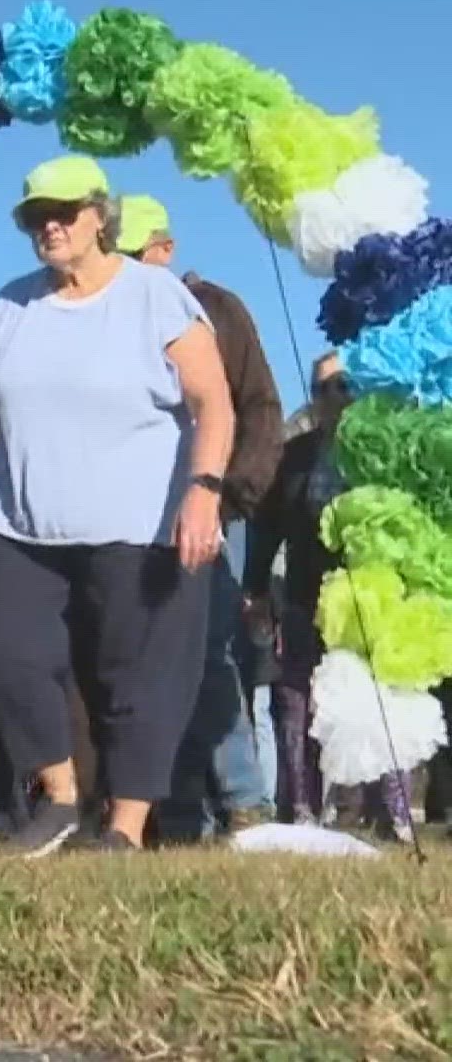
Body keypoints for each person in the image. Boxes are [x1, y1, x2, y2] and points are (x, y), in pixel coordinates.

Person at [0, 157, 236, 856]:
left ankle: (124, 827)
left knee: (138, 678)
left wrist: (205, 492)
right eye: (34, 216)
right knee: (3, 654)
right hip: (15, 521)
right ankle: (57, 798)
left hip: (140, 522)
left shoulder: (157, 297)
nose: (48, 225)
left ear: (99, 215)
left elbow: (213, 404)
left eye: (63, 211)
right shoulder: (5, 309)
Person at [117, 194, 285, 842]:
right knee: (148, 657)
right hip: (132, 515)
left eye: (136, 254)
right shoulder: (110, 313)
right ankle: (184, 813)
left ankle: (246, 799)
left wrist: (234, 493)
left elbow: (259, 404)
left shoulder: (216, 308)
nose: (127, 267)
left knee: (207, 649)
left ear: (165, 248)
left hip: (213, 506)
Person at [244, 354, 410, 836]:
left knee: (384, 699)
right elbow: (267, 526)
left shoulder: (388, 451)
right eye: (324, 388)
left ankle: (391, 812)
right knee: (295, 700)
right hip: (305, 598)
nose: (336, 397)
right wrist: (255, 588)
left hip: (377, 600)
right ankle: (301, 808)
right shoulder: (294, 456)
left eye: (345, 385)